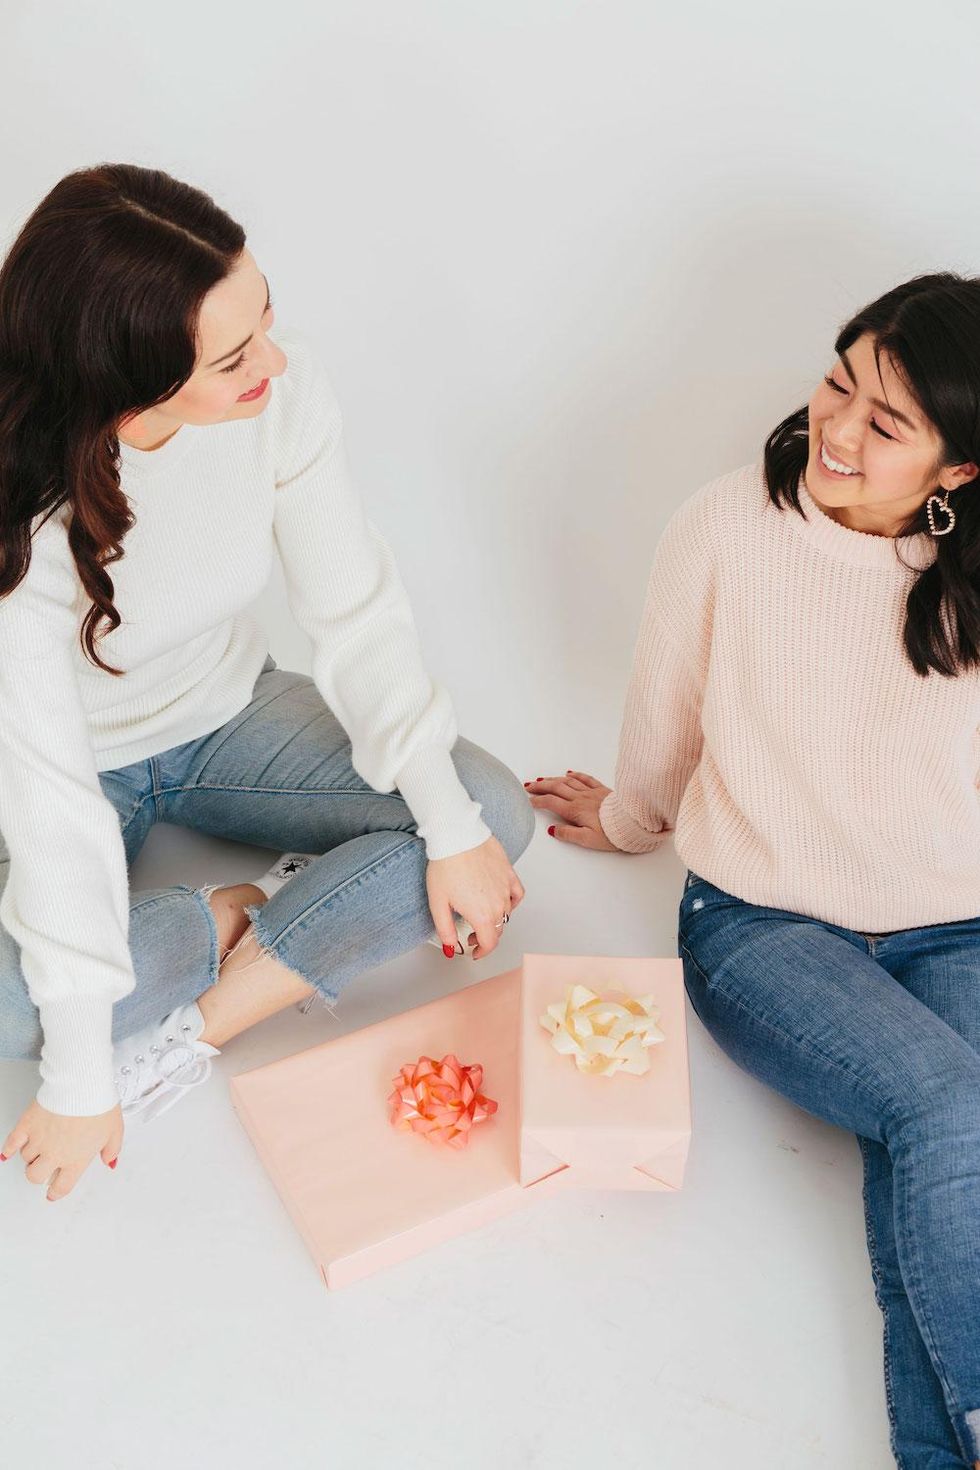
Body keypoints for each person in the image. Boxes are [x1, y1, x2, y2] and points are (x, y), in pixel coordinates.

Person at [0, 165, 534, 1205]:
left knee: (486, 812)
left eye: (267, 321)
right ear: (129, 377)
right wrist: (72, 1075)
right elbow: (49, 796)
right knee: (22, 1018)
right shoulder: (23, 509)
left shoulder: (281, 397)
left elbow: (353, 611)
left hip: (229, 711)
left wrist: (448, 822)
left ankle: (207, 1018)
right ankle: (240, 913)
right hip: (67, 765)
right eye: (235, 356)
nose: (274, 363)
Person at [528, 273, 980, 1469]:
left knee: (930, 1139)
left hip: (957, 925)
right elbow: (664, 709)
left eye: (886, 423)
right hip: (761, 924)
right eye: (838, 381)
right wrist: (630, 822)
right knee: (949, 1106)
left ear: (957, 472)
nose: (836, 428)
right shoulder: (728, 525)